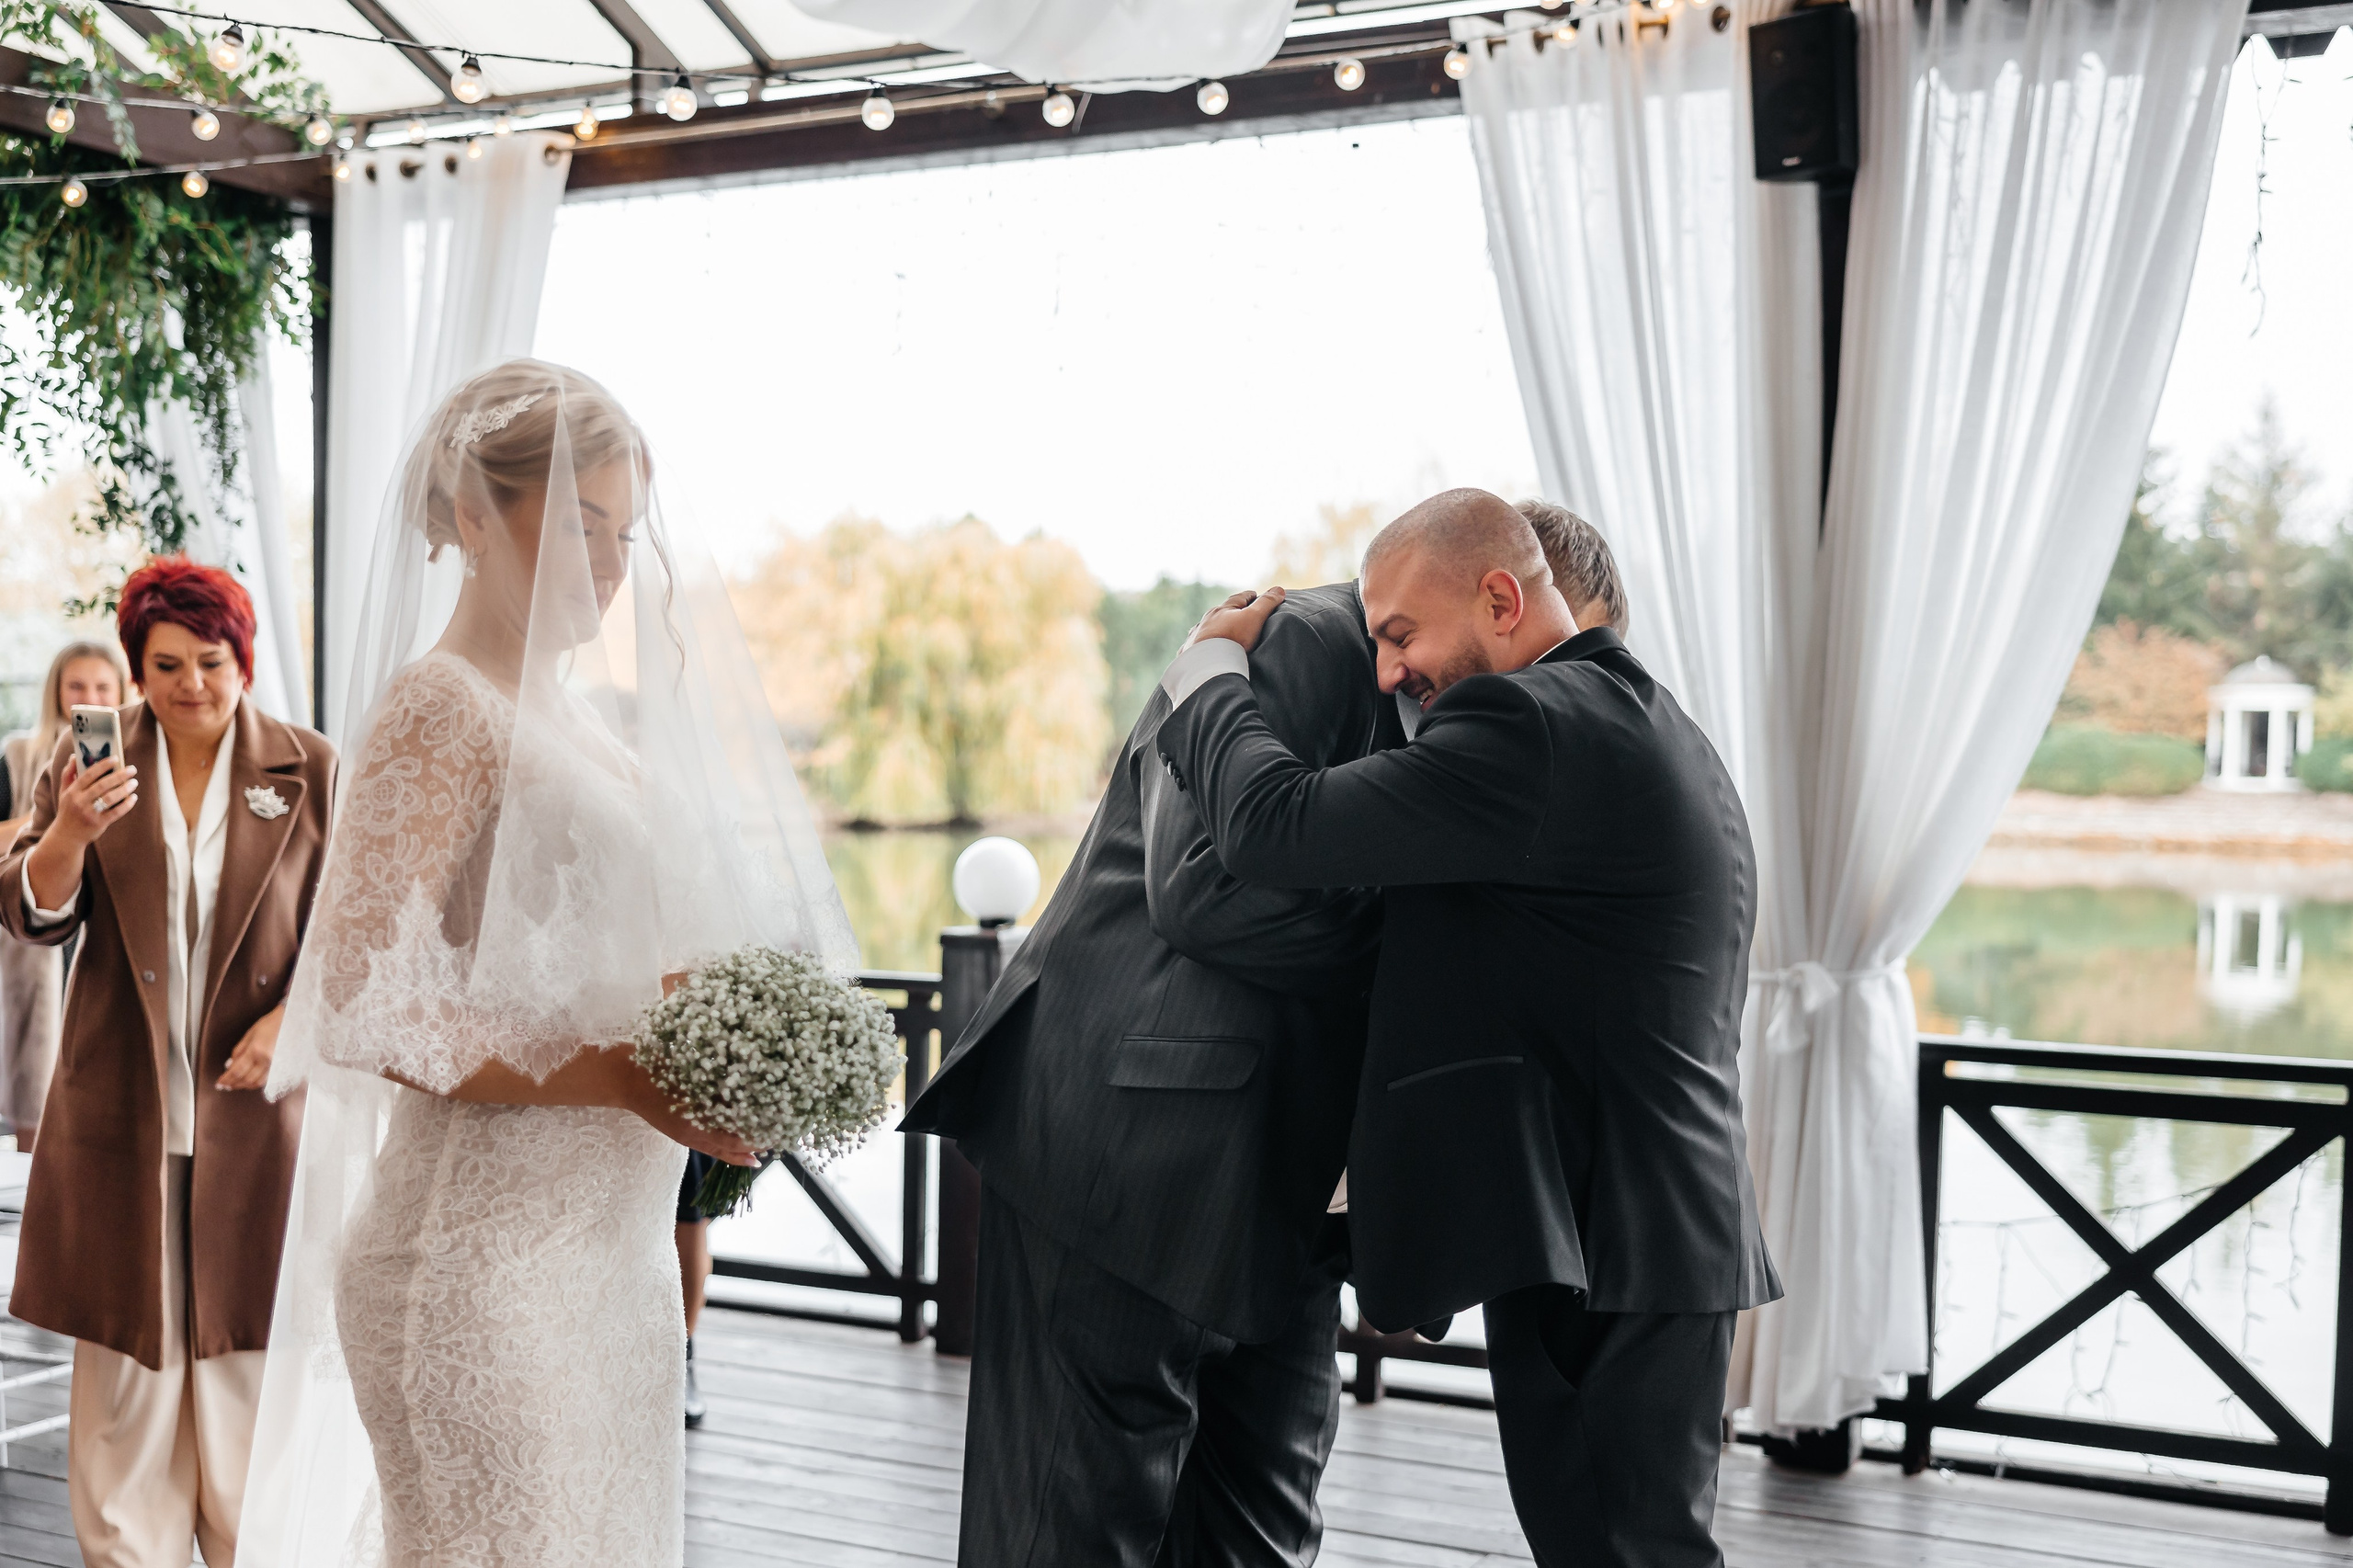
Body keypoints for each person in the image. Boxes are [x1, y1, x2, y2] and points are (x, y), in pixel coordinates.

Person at [235, 359, 856, 1568]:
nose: (613, 563)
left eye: (626, 530)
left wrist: (732, 1052)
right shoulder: (441, 706)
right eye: (581, 523)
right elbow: (360, 1001)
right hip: (488, 1274)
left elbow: (592, 963)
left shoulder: (580, 725)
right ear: (476, 517)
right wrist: (628, 1073)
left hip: (615, 1267)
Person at [1154, 489, 1779, 1568]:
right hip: (1651, 1229)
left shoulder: (1531, 724)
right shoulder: (1649, 723)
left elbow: (1271, 825)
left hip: (1606, 1244)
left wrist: (1208, 669)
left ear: (1500, 597)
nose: (1386, 671)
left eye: (1400, 635)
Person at [904, 574, 1404, 1564]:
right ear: (1499, 594)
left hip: (1297, 1191)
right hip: (1126, 1157)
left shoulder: (1467, 712)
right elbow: (1200, 892)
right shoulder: (1304, 642)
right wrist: (1443, 935)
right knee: (1065, 1534)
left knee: (1260, 1535)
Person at [0, 562, 335, 1568]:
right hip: (124, 1114)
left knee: (244, 1383)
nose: (192, 684)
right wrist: (71, 829)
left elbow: (353, 935)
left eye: (212, 661)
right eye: (167, 665)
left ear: (245, 660)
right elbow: (31, 912)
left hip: (254, 1116)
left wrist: (292, 1022)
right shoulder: (89, 756)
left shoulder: (312, 768)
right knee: (125, 1395)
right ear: (136, 670)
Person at [0, 640, 128, 1153]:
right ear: (56, 689)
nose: (89, 698)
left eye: (102, 687)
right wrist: (57, 823)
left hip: (108, 929)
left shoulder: (140, 763)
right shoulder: (20, 756)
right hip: (38, 932)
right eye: (76, 685)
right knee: (35, 1066)